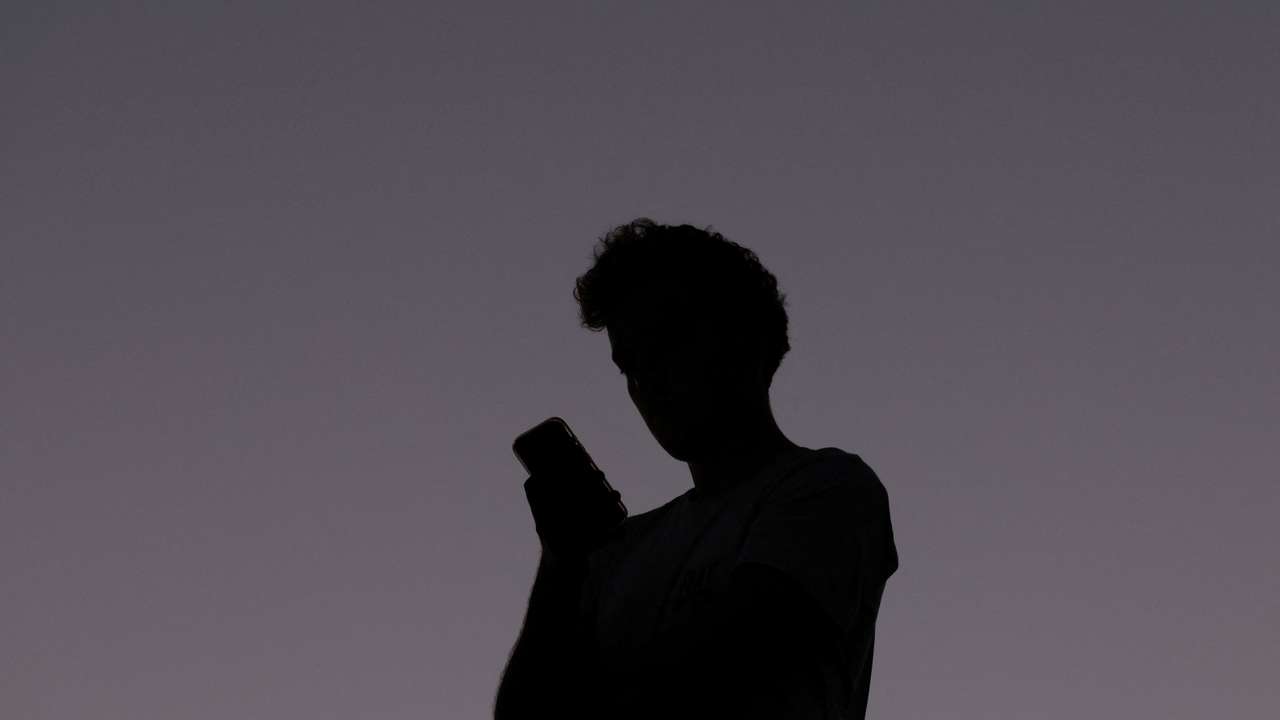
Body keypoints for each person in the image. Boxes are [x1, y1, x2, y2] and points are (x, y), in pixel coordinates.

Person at [494, 219, 899, 719]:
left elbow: (729, 668)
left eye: (665, 344)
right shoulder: (614, 554)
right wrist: (560, 563)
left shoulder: (828, 490)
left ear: (744, 343)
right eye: (628, 365)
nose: (645, 379)